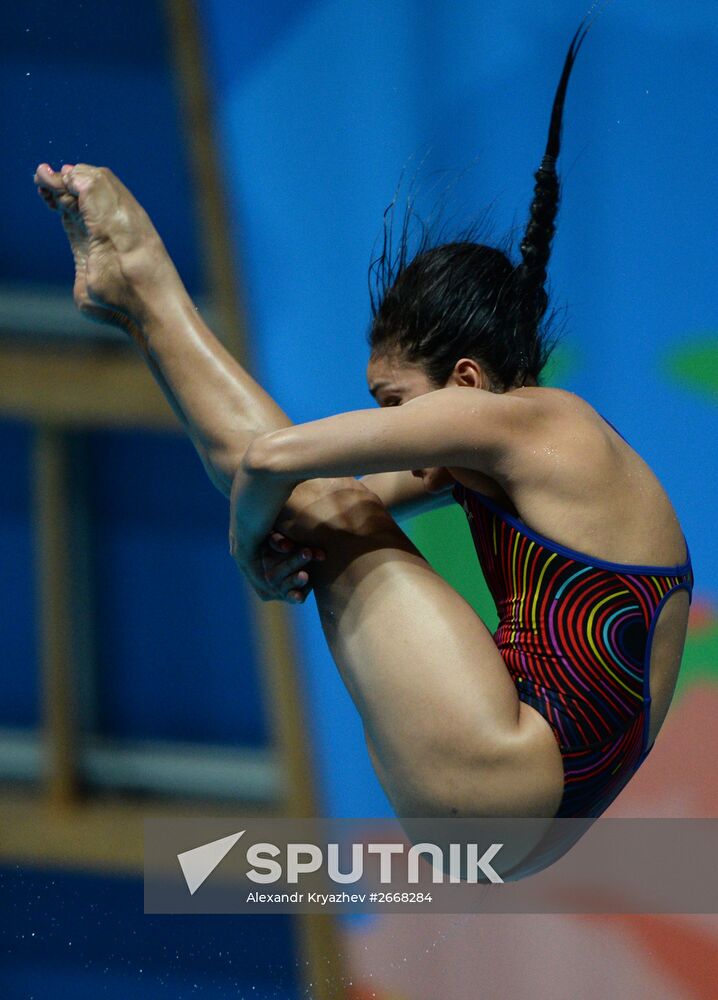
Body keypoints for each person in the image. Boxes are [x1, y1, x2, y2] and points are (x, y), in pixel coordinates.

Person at [34, 15, 693, 875]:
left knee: (318, 500)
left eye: (394, 405)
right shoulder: (526, 461)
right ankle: (135, 303)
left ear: (464, 381)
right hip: (531, 817)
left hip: (507, 778)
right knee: (323, 508)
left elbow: (272, 462)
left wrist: (247, 551)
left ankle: (144, 280)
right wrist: (277, 532)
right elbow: (306, 495)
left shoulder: (536, 422)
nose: (397, 437)